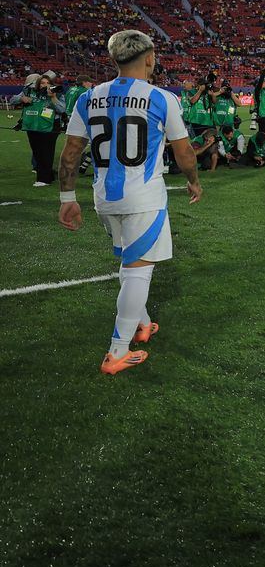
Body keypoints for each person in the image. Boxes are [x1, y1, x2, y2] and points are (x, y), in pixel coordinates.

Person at [56, 30, 203, 374]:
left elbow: (71, 152)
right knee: (138, 270)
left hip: (104, 197)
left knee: (132, 264)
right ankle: (117, 351)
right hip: (144, 197)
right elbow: (183, 151)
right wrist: (194, 182)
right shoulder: (162, 98)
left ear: (113, 59)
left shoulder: (88, 98)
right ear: (150, 58)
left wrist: (67, 197)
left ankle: (142, 323)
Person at [19, 74, 65, 186]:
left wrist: (53, 97)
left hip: (51, 126)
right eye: (43, 83)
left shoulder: (57, 94)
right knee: (37, 152)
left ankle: (43, 179)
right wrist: (22, 98)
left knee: (46, 152)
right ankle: (49, 175)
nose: (46, 85)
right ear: (38, 84)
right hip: (33, 126)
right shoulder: (30, 91)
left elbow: (62, 109)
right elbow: (13, 99)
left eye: (48, 83)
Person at [63, 75, 96, 174]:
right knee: (88, 144)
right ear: (84, 82)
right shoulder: (84, 92)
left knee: (75, 144)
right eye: (90, 82)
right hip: (80, 119)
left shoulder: (71, 89)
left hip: (69, 117)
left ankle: (80, 165)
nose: (91, 84)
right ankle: (73, 167)